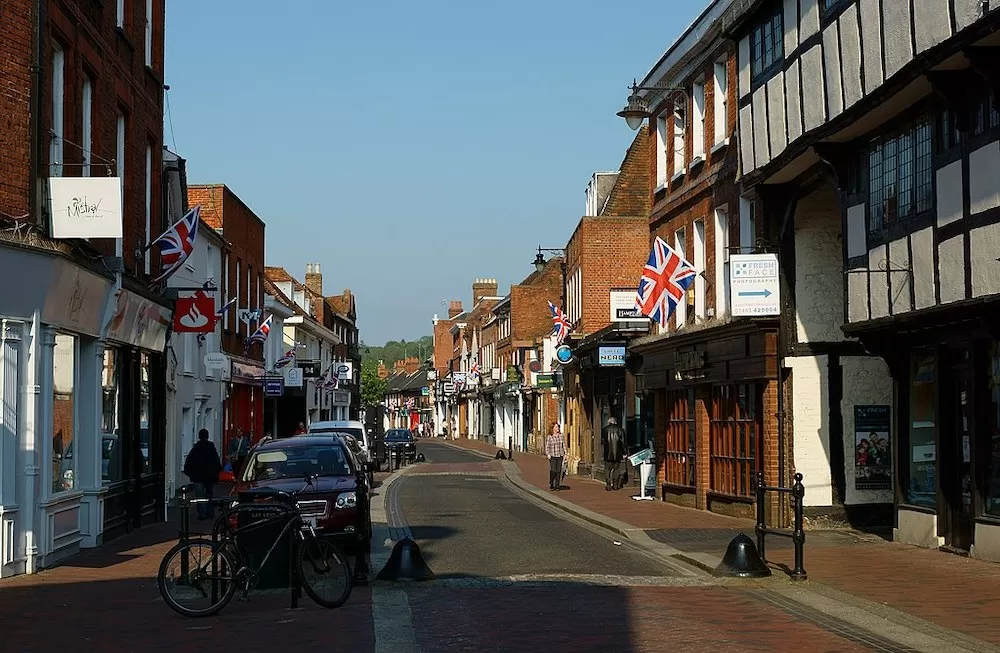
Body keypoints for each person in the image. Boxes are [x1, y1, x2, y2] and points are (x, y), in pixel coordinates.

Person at [183, 429, 223, 520]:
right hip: (209, 476)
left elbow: (189, 462)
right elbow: (216, 461)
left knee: (200, 495)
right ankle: (210, 512)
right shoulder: (211, 447)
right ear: (207, 436)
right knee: (209, 494)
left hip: (198, 477)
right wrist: (216, 472)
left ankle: (202, 513)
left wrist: (190, 474)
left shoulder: (196, 448)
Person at [602, 417, 627, 491]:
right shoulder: (620, 430)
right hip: (617, 453)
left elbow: (602, 440)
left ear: (609, 422)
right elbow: (623, 442)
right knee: (616, 469)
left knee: (607, 469)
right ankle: (615, 485)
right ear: (615, 422)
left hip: (607, 453)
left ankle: (608, 484)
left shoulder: (605, 430)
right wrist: (624, 452)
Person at [544, 422, 567, 491]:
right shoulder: (549, 437)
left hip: (560, 455)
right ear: (553, 428)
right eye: (556, 427)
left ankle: (557, 485)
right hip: (553, 455)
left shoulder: (561, 436)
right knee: (553, 470)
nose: (558, 428)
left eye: (558, 427)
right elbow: (547, 446)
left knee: (558, 470)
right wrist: (548, 454)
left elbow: (564, 445)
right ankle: (551, 482)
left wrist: (566, 454)